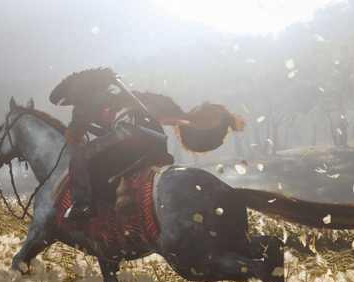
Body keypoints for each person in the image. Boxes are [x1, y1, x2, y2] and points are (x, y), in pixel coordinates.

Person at [48, 67, 245, 223]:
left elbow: (78, 131)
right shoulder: (133, 96)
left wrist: (75, 133)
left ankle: (82, 205)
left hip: (130, 136)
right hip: (153, 143)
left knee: (80, 156)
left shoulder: (86, 102)